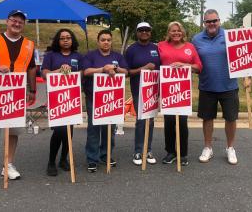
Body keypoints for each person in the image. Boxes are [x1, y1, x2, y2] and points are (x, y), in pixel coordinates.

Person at [0, 10, 36, 187]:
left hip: (17, 93)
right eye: (14, 20)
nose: (17, 24)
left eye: (20, 22)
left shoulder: (29, 44)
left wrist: (32, 89)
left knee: (14, 132)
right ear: (7, 21)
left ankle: (7, 165)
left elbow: (31, 68)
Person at [192, 9, 239, 165]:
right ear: (204, 23)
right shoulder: (196, 39)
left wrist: (248, 78)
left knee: (231, 119)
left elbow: (244, 57)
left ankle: (230, 148)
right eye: (208, 21)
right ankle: (208, 147)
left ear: (219, 21)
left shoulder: (230, 37)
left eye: (214, 20)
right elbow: (193, 60)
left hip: (229, 86)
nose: (211, 24)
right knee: (207, 118)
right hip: (207, 86)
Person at [83, 30, 128, 173]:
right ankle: (92, 158)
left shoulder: (117, 56)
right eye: (103, 40)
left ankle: (106, 154)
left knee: (109, 129)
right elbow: (86, 71)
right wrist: (103, 69)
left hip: (112, 99)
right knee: (94, 129)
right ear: (98, 41)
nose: (106, 42)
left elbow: (126, 72)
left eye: (109, 40)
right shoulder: (90, 55)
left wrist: (115, 68)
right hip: (94, 98)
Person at [158, 21, 202, 166]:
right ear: (168, 33)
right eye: (173, 31)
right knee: (169, 121)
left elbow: (198, 67)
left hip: (183, 90)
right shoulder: (161, 46)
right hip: (167, 89)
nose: (176, 33)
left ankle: (182, 154)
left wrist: (185, 65)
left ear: (182, 32)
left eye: (178, 31)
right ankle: (170, 152)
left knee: (182, 122)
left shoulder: (190, 47)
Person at [41, 29, 83, 176]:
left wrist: (73, 73)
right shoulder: (51, 55)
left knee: (69, 131)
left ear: (72, 40)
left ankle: (64, 159)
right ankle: (51, 161)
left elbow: (82, 74)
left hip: (72, 98)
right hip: (56, 98)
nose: (65, 40)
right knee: (59, 131)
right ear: (57, 41)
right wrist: (58, 71)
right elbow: (44, 73)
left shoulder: (78, 56)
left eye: (68, 38)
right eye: (62, 38)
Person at [125, 22, 161, 166]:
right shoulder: (131, 49)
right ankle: (138, 150)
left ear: (150, 32)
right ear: (137, 32)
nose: (144, 32)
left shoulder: (156, 48)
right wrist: (144, 68)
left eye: (147, 30)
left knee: (150, 120)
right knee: (141, 120)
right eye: (141, 30)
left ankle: (148, 149)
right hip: (138, 89)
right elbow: (127, 72)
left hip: (153, 89)